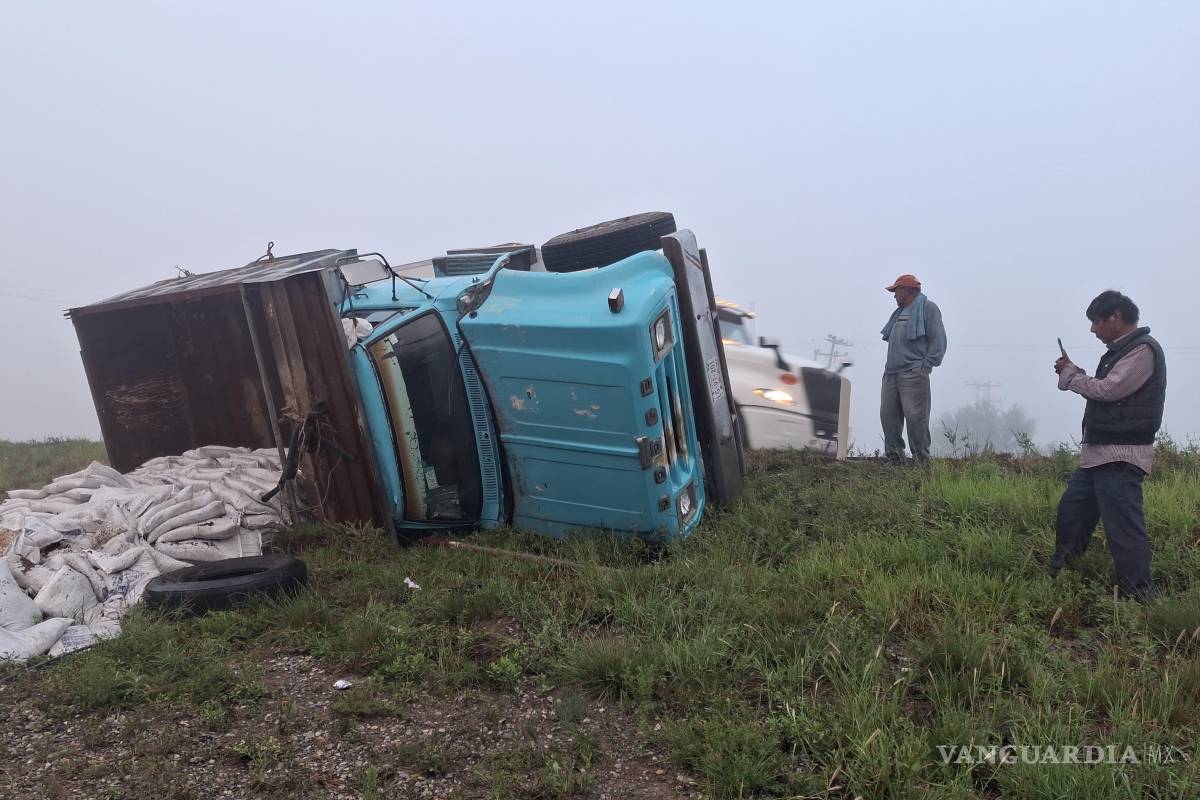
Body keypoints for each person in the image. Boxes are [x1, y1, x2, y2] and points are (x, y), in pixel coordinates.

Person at [1051, 290, 1164, 600]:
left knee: (1123, 530)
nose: (1093, 330)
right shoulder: (1121, 350)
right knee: (1072, 514)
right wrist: (1075, 373)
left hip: (1121, 455)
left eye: (1097, 322)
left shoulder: (1142, 351)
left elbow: (1108, 391)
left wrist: (1072, 376)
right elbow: (1106, 390)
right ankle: (1062, 576)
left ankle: (1139, 596)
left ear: (1116, 316)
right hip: (1098, 455)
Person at [880, 274, 947, 463]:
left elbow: (939, 341)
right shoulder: (899, 313)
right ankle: (894, 458)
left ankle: (921, 460)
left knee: (916, 418)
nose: (894, 296)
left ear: (908, 290)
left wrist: (925, 367)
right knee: (888, 417)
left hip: (913, 373)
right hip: (891, 373)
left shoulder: (928, 308)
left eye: (896, 291)